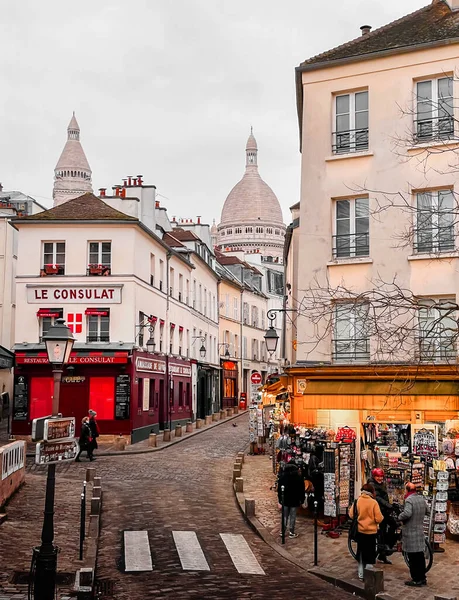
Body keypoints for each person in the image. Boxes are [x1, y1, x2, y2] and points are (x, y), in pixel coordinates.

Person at [349, 483, 384, 580]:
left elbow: (351, 515)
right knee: (370, 554)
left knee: (361, 554)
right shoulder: (373, 503)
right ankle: (369, 576)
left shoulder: (357, 501)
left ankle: (361, 575)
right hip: (371, 533)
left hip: (360, 531)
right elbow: (379, 518)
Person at [397, 482, 429, 587]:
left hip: (410, 532)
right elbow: (427, 511)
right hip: (419, 531)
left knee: (413, 558)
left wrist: (399, 517)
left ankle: (416, 579)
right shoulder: (421, 499)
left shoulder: (409, 500)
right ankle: (422, 578)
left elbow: (407, 513)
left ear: (407, 490)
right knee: (420, 556)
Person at [369, 468, 397, 564]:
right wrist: (387, 504)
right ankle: (382, 551)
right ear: (374, 476)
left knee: (394, 524)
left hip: (384, 510)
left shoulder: (381, 484)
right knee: (382, 531)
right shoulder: (372, 485)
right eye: (378, 476)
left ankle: (385, 549)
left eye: (381, 476)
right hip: (378, 511)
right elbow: (378, 498)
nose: (380, 478)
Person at [277, 462, 305, 539]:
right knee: (292, 516)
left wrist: (280, 499)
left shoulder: (283, 477)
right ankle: (291, 532)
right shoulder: (299, 478)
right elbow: (301, 490)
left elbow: (279, 489)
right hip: (295, 500)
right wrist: (302, 500)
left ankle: (283, 531)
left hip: (285, 499)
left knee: (285, 516)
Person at [308, 445, 324, 511]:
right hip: (315, 480)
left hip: (318, 479)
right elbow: (313, 470)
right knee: (316, 494)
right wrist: (320, 470)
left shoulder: (317, 457)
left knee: (318, 494)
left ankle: (317, 508)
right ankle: (315, 508)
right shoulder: (314, 458)